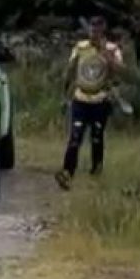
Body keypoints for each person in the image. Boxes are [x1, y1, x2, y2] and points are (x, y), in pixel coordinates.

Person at [56, 15, 124, 190]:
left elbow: (120, 70)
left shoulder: (112, 48)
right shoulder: (80, 47)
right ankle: (67, 173)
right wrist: (65, 93)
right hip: (81, 98)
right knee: (75, 136)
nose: (94, 33)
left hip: (100, 99)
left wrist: (105, 53)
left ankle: (96, 172)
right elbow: (70, 70)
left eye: (98, 30)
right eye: (92, 29)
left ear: (103, 30)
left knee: (96, 137)